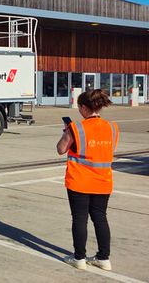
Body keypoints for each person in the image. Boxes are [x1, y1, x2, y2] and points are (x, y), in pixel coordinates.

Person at [56, 89, 119, 271]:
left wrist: (66, 133)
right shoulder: (112, 128)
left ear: (84, 108)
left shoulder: (76, 128)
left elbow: (61, 149)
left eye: (79, 108)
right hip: (103, 181)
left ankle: (79, 258)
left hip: (80, 181)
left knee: (79, 219)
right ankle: (104, 258)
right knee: (100, 218)